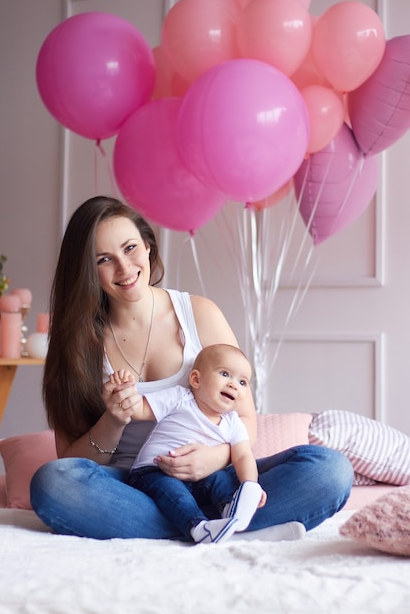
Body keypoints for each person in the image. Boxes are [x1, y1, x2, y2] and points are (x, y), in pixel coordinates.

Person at [30, 195, 353, 541]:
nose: (124, 268)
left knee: (330, 469)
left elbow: (243, 417)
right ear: (86, 272)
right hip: (136, 486)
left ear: (148, 246)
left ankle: (196, 526)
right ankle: (218, 528)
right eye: (104, 260)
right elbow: (70, 457)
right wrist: (113, 421)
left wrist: (215, 459)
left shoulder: (199, 313)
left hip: (217, 479)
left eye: (130, 248)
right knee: (53, 482)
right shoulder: (75, 345)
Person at [118, 344, 280, 544]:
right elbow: (140, 411)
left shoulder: (233, 422)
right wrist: (126, 392)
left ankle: (232, 511)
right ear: (196, 379)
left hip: (200, 479)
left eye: (242, 382)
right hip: (153, 472)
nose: (234, 385)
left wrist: (250, 485)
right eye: (224, 374)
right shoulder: (180, 398)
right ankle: (198, 527)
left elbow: (243, 456)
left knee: (220, 479)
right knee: (173, 492)